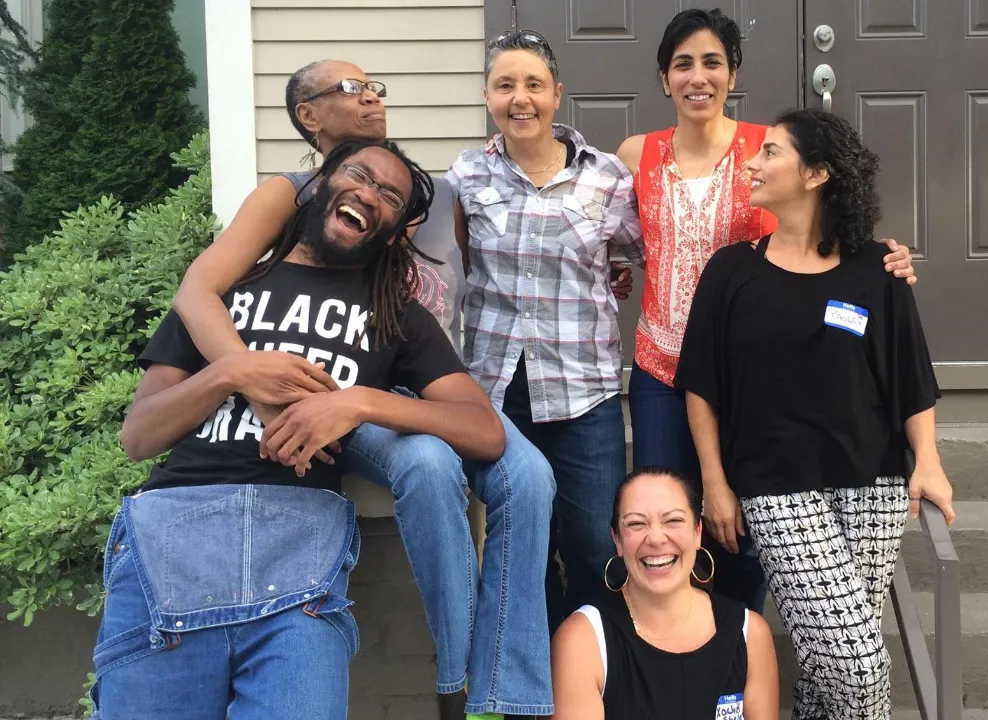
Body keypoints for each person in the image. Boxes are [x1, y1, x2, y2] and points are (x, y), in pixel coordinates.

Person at [170, 60, 555, 719]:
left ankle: (508, 693)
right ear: (309, 117)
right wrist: (253, 382)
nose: (372, 96)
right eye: (351, 89)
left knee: (530, 475)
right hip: (344, 385)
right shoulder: (294, 196)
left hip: (427, 379)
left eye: (375, 85)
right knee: (428, 463)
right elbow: (199, 289)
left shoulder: (430, 195)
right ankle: (459, 688)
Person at [91, 139, 504, 720]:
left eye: (390, 196)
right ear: (320, 185)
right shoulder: (224, 297)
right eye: (359, 174)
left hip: (298, 563)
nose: (370, 194)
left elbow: (484, 430)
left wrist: (361, 402)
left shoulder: (394, 314)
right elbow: (138, 437)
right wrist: (233, 372)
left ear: (392, 233)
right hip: (174, 536)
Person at [615, 8, 917, 612]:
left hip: (749, 373)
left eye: (712, 63)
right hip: (661, 364)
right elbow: (606, 230)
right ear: (664, 78)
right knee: (663, 514)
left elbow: (820, 223)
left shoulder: (765, 150)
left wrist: (882, 256)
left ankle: (737, 644)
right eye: (682, 64)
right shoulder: (633, 155)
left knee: (739, 527)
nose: (698, 77)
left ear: (732, 74)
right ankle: (667, 641)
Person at [676, 108, 956, 719]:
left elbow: (909, 375)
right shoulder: (730, 271)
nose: (752, 163)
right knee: (858, 666)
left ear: (817, 173)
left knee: (826, 670)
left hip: (874, 484)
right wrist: (715, 482)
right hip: (775, 487)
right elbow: (700, 386)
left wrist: (928, 461)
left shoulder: (878, 268)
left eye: (771, 152)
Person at [447, 31, 645, 634]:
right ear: (487, 96)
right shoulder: (465, 175)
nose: (520, 98)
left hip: (584, 390)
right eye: (505, 85)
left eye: (534, 84)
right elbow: (447, 267)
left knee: (595, 546)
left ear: (557, 94)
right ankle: (535, 671)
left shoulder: (607, 177)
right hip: (498, 393)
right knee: (521, 548)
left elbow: (650, 251)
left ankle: (594, 663)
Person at [550, 467, 779, 720]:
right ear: (617, 540)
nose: (656, 539)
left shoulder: (750, 633)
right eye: (636, 524)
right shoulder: (582, 641)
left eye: (673, 521)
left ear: (697, 532)